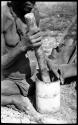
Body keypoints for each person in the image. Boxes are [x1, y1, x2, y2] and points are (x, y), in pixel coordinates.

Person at [1, 1, 43, 122]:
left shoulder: (33, 11)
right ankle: (14, 99)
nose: (32, 3)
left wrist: (47, 64)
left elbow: (37, 45)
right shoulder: (3, 17)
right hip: (8, 78)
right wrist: (22, 46)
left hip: (28, 73)